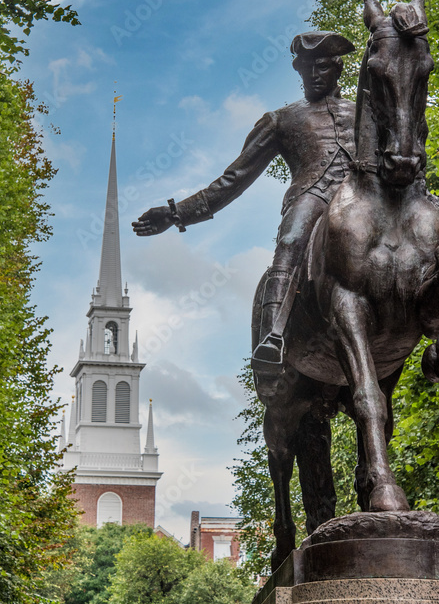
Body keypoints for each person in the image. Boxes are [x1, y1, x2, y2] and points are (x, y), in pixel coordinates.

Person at [132, 31, 356, 371]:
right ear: (297, 69)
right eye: (306, 67)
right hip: (313, 196)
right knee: (292, 240)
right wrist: (177, 213)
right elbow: (233, 180)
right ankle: (273, 338)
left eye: (322, 66)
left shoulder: (364, 114)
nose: (314, 74)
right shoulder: (280, 120)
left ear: (338, 68)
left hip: (361, 198)